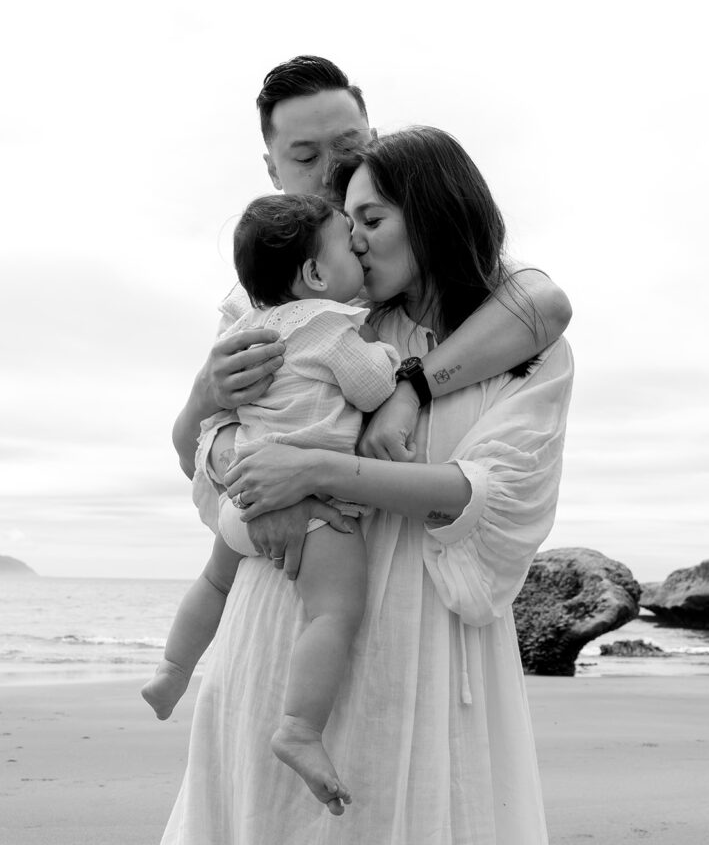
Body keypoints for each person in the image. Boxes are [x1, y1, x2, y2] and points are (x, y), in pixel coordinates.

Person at [161, 126, 573, 844]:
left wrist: (318, 470)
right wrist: (253, 486)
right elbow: (209, 449)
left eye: (373, 222)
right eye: (348, 226)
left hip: (420, 652)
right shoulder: (328, 323)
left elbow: (492, 491)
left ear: (437, 213)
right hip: (280, 636)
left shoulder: (520, 346)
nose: (355, 243)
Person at [171, 58, 573, 588]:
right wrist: (215, 416)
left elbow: (543, 302)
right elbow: (197, 452)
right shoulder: (259, 304)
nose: (331, 170)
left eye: (347, 146)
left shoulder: (447, 283)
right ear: (273, 171)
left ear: (373, 142)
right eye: (306, 157)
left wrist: (410, 387)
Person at [144, 193, 400, 811]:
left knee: (213, 580)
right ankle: (300, 730)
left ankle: (173, 670)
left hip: (241, 495)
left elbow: (215, 421)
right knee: (333, 613)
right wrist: (391, 356)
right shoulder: (330, 324)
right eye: (347, 239)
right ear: (316, 275)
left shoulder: (246, 327)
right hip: (307, 503)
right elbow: (371, 386)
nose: (360, 248)